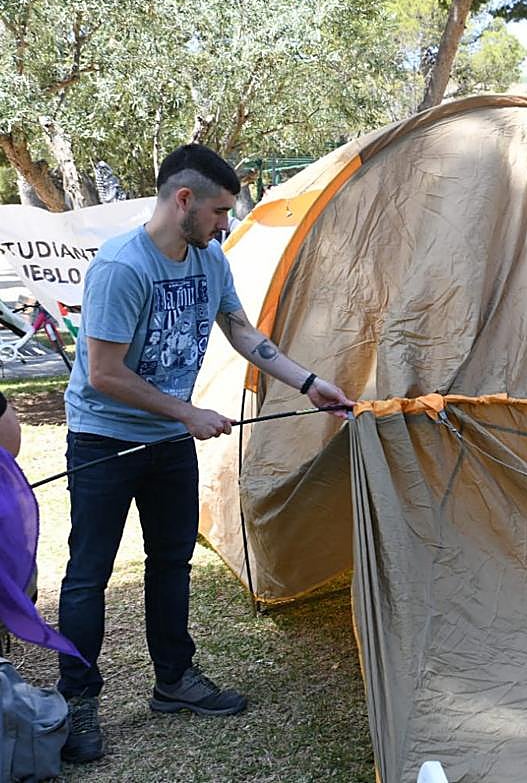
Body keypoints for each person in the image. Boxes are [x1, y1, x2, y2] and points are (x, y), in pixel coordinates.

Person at [58, 144, 353, 763]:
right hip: (104, 440)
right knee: (89, 575)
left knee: (171, 562)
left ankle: (175, 682)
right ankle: (77, 700)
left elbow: (241, 330)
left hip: (167, 445)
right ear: (183, 200)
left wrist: (307, 381)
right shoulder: (121, 267)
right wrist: (187, 411)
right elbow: (105, 373)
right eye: (220, 211)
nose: (227, 224)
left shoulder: (209, 259)